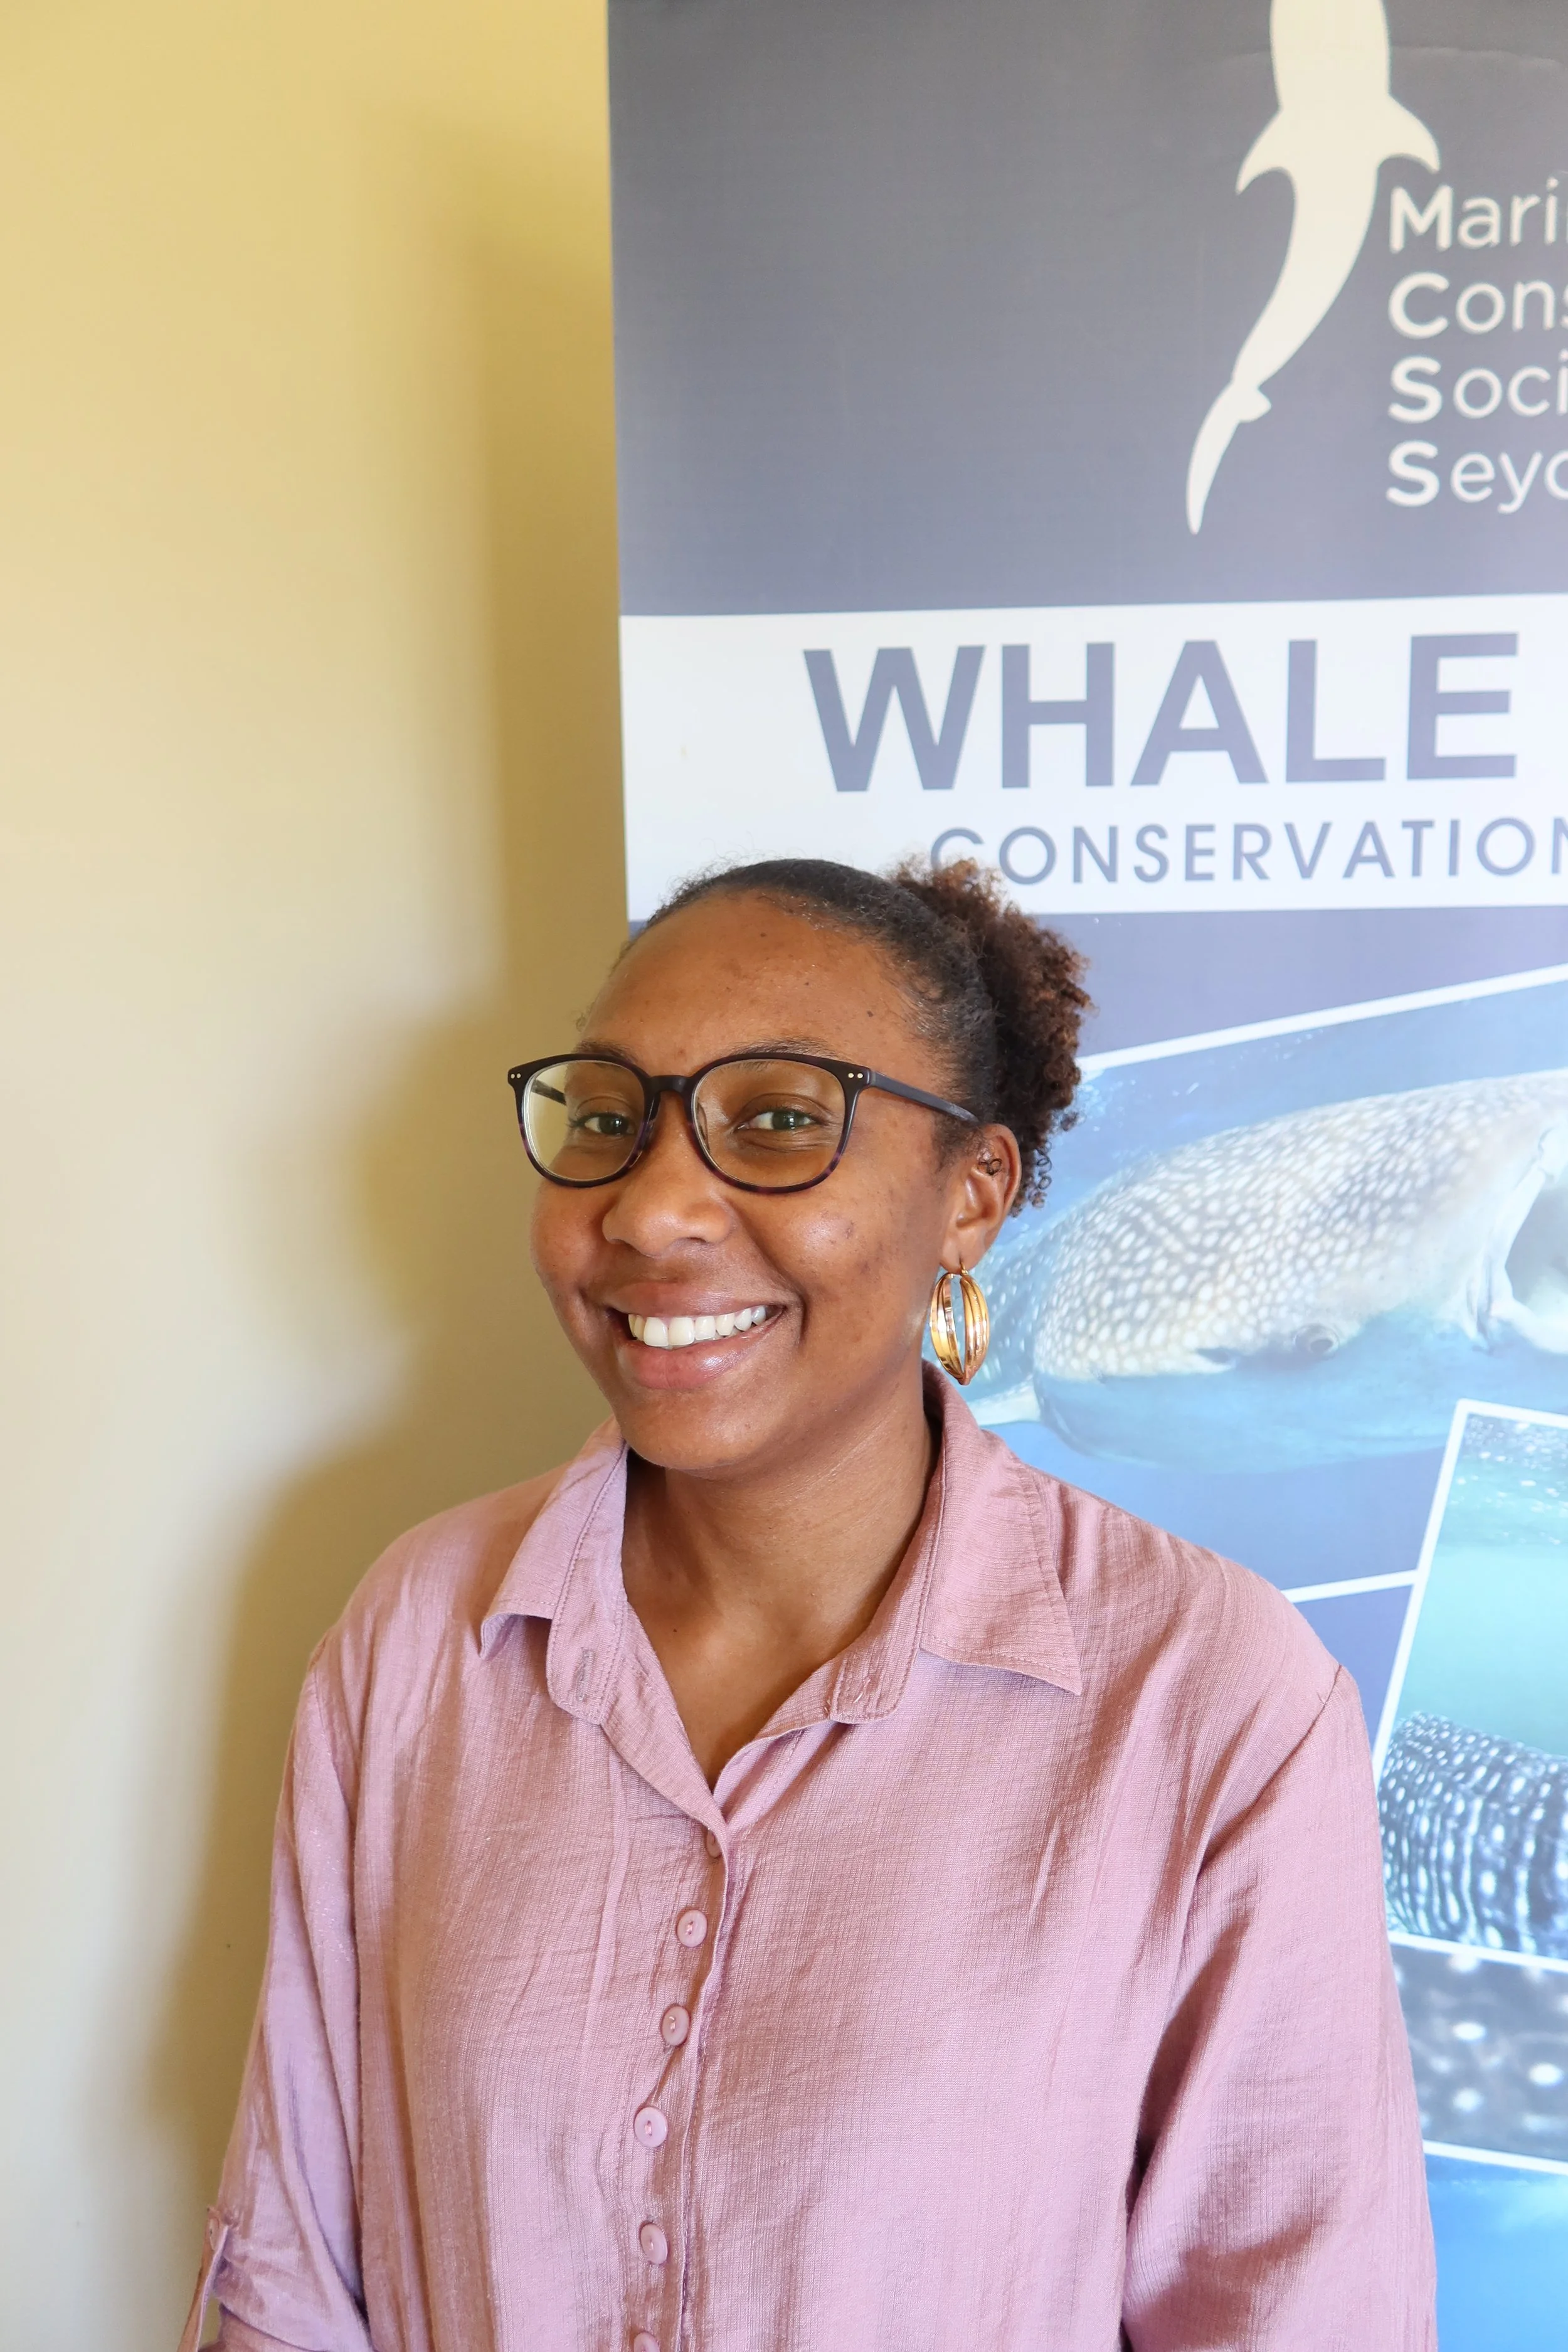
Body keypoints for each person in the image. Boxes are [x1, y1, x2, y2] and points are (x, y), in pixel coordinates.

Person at [184, 857, 1435, 2352]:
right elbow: (290, 2272)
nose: (649, 1209)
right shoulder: (419, 1637)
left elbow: (1294, 2312)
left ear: (972, 1198)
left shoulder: (1206, 1695)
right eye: (605, 1117)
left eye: (777, 1120)